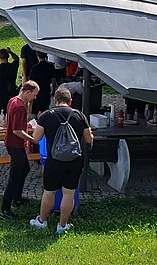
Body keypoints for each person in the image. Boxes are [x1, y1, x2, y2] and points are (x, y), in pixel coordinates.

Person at [30, 87, 93, 234]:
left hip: (54, 160)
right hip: (74, 159)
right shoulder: (79, 115)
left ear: (55, 101)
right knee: (69, 193)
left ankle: (41, 221)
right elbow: (88, 138)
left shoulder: (46, 115)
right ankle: (62, 225)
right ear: (70, 101)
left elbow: (37, 138)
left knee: (49, 191)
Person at [0, 81, 40, 220]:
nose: (35, 98)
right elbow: (17, 130)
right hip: (15, 144)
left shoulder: (13, 100)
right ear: (27, 92)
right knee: (14, 176)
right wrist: (33, 139)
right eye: (34, 94)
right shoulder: (20, 106)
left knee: (25, 169)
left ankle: (17, 198)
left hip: (14, 143)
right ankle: (5, 209)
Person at [0, 47, 19, 117]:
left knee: (2, 115)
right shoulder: (13, 66)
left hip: (1, 96)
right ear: (8, 56)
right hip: (12, 92)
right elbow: (16, 59)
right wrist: (10, 52)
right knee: (12, 114)